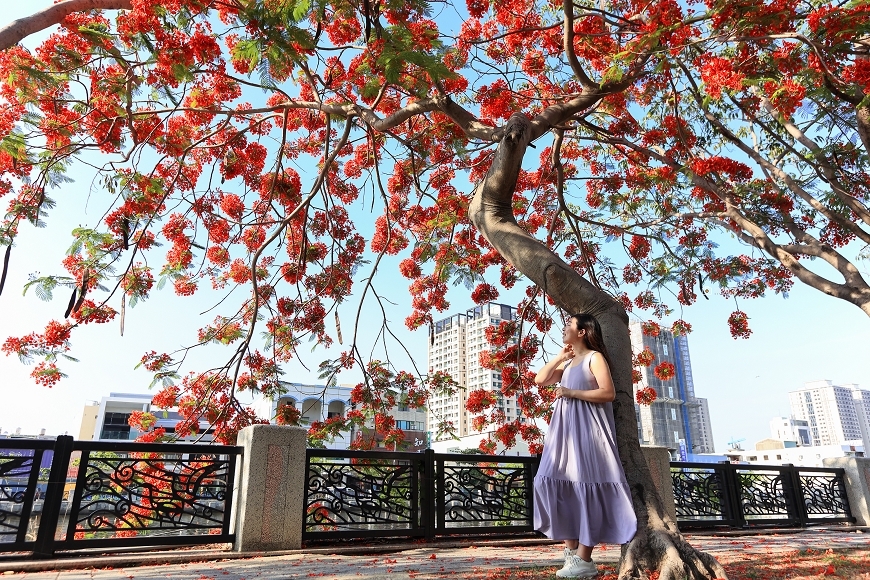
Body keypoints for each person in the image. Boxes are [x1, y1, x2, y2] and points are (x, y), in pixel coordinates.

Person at [533, 312, 637, 578]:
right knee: (553, 484)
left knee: (585, 487)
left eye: (569, 325)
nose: (564, 328)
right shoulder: (569, 363)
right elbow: (540, 380)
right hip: (564, 433)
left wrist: (571, 392)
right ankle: (572, 553)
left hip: (589, 432)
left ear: (582, 332)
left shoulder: (594, 357)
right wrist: (559, 357)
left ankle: (585, 558)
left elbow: (608, 393)